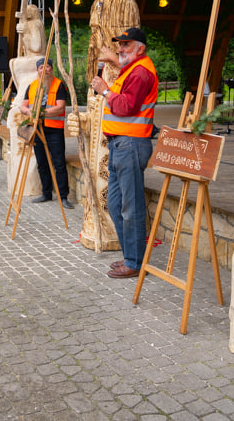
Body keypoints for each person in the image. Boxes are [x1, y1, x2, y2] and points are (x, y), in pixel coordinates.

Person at [87, 27, 158, 279]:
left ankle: (135, 262)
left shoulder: (140, 72)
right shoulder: (133, 68)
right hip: (121, 145)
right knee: (116, 204)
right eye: (119, 44)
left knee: (130, 207)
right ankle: (131, 256)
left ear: (140, 48)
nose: (120, 48)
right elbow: (125, 83)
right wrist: (113, 60)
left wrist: (104, 89)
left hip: (131, 145)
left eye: (126, 44)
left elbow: (126, 106)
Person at [19, 58, 73, 209]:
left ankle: (63, 196)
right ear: (38, 70)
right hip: (37, 128)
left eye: (47, 67)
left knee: (59, 163)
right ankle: (46, 193)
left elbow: (60, 107)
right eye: (41, 67)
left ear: (52, 69)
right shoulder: (32, 86)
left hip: (54, 129)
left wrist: (41, 113)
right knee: (42, 162)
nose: (45, 70)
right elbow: (23, 106)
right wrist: (29, 111)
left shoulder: (58, 84)